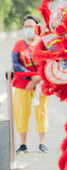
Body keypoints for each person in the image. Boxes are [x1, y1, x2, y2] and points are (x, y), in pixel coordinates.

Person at [11, 14, 49, 154]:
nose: (28, 29)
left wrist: (37, 79)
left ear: (37, 27)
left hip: (41, 84)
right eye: (26, 26)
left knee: (42, 112)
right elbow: (16, 64)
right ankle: (23, 144)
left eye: (31, 26)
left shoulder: (44, 44)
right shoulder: (19, 44)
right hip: (22, 84)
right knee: (21, 112)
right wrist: (32, 77)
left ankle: (42, 143)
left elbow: (48, 62)